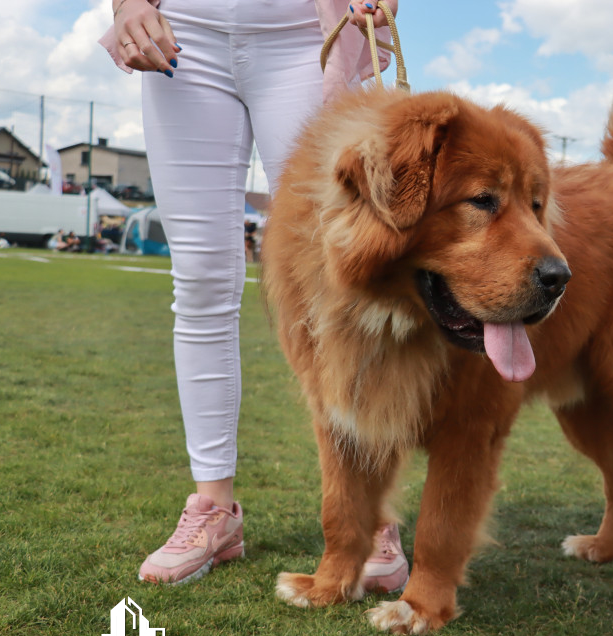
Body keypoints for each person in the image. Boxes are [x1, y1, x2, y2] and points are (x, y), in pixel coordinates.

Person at [99, 0, 408, 589]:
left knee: (339, 281)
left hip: (304, 36)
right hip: (183, 39)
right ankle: (214, 510)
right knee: (200, 279)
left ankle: (369, 512)